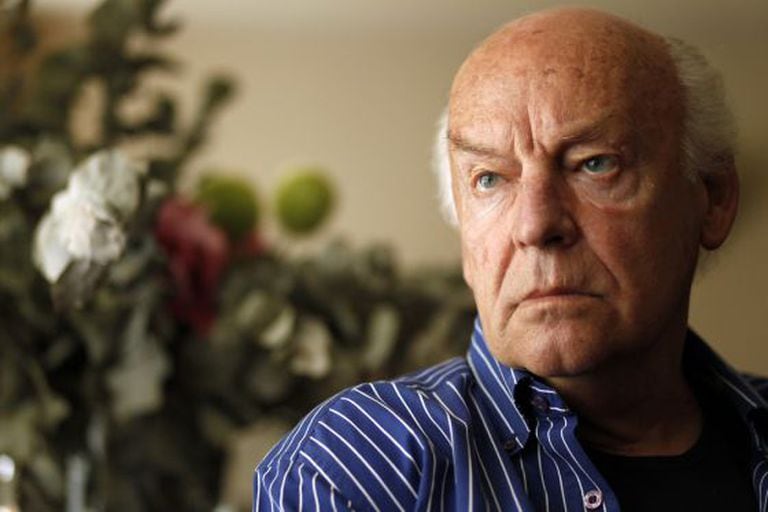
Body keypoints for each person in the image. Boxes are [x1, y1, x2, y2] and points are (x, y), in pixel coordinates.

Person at [254, 7, 767, 511]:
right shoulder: (358, 466)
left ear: (713, 198)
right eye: (490, 179)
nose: (534, 226)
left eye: (594, 164)